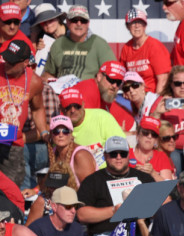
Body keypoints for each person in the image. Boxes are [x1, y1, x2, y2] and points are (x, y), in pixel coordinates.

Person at [76, 136, 154, 236]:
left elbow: (163, 205)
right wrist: (114, 211)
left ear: (129, 155)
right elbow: (81, 214)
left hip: (141, 234)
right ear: (105, 156)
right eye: (113, 154)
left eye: (123, 153)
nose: (118, 157)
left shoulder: (144, 178)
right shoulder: (92, 181)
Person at [0, 39, 46, 186]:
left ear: (25, 63)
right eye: (6, 58)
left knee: (10, 192)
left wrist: (44, 132)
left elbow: (38, 109)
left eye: (12, 62)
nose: (7, 63)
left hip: (13, 144)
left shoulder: (35, 82)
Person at [42, 6, 115, 80]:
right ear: (67, 22)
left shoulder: (100, 44)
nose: (79, 24)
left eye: (83, 20)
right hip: (62, 90)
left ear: (88, 23)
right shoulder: (57, 44)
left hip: (89, 90)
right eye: (74, 20)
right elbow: (48, 74)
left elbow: (112, 73)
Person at [60, 87, 126, 169]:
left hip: (108, 172)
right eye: (68, 107)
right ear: (61, 108)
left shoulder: (102, 117)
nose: (73, 110)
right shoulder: (59, 129)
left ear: (83, 104)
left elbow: (122, 147)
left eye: (77, 106)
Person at [155, 65, 184, 173]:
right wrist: (157, 113)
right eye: (177, 83)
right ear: (171, 84)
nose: (182, 86)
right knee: (174, 156)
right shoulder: (164, 103)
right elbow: (149, 129)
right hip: (173, 149)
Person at [119, 8, 171, 93]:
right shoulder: (126, 48)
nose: (137, 26)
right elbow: (122, 77)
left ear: (145, 26)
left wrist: (156, 102)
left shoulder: (154, 46)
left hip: (151, 95)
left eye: (140, 22)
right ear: (128, 26)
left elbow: (163, 80)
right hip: (132, 95)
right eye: (133, 23)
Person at [46, 115, 96, 188]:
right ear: (51, 134)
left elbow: (91, 188)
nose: (61, 135)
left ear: (71, 134)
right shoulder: (54, 152)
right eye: (56, 131)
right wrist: (35, 190)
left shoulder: (80, 155)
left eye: (65, 131)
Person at [128, 117, 175, 182]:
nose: (149, 136)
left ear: (156, 140)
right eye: (145, 133)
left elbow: (168, 186)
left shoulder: (161, 156)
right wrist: (134, 173)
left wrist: (153, 173)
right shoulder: (126, 154)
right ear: (137, 135)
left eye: (153, 134)